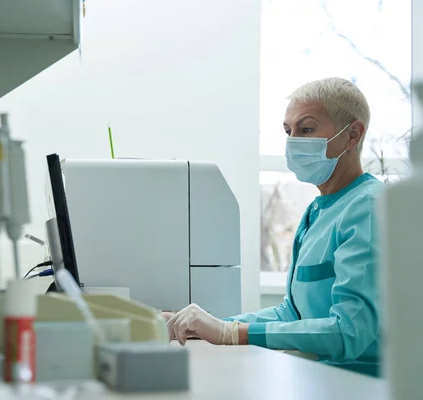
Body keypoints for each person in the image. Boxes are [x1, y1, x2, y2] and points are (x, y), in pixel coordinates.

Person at [164, 77, 384, 377]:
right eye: (288, 131)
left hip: (367, 386)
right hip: (324, 378)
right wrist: (202, 327)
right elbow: (291, 313)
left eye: (306, 129)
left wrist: (233, 333)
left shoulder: (369, 208)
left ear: (353, 134)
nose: (293, 141)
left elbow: (349, 331)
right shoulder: (317, 211)